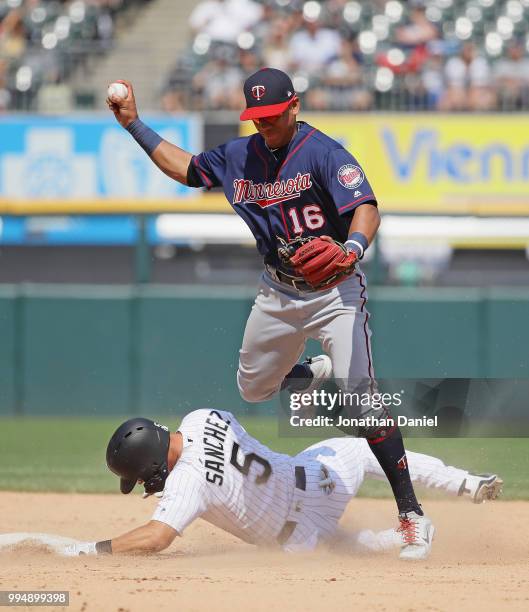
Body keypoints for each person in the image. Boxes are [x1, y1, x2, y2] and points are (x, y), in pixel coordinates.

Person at [107, 67, 432, 559]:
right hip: (277, 291)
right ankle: (309, 371)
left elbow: (367, 206)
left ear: (294, 106)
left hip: (335, 291)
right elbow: (187, 169)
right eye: (257, 117)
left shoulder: (324, 152)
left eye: (273, 116)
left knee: (359, 398)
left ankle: (411, 516)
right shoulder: (239, 155)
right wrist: (134, 124)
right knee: (253, 388)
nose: (265, 124)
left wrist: (352, 247)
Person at [60, 412, 502, 557]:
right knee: (369, 450)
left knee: (340, 546)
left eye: (142, 476)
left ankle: (400, 535)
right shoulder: (202, 416)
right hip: (315, 482)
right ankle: (464, 484)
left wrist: (93, 550)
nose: (146, 485)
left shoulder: (187, 485)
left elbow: (156, 537)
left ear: (151, 463)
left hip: (296, 538)